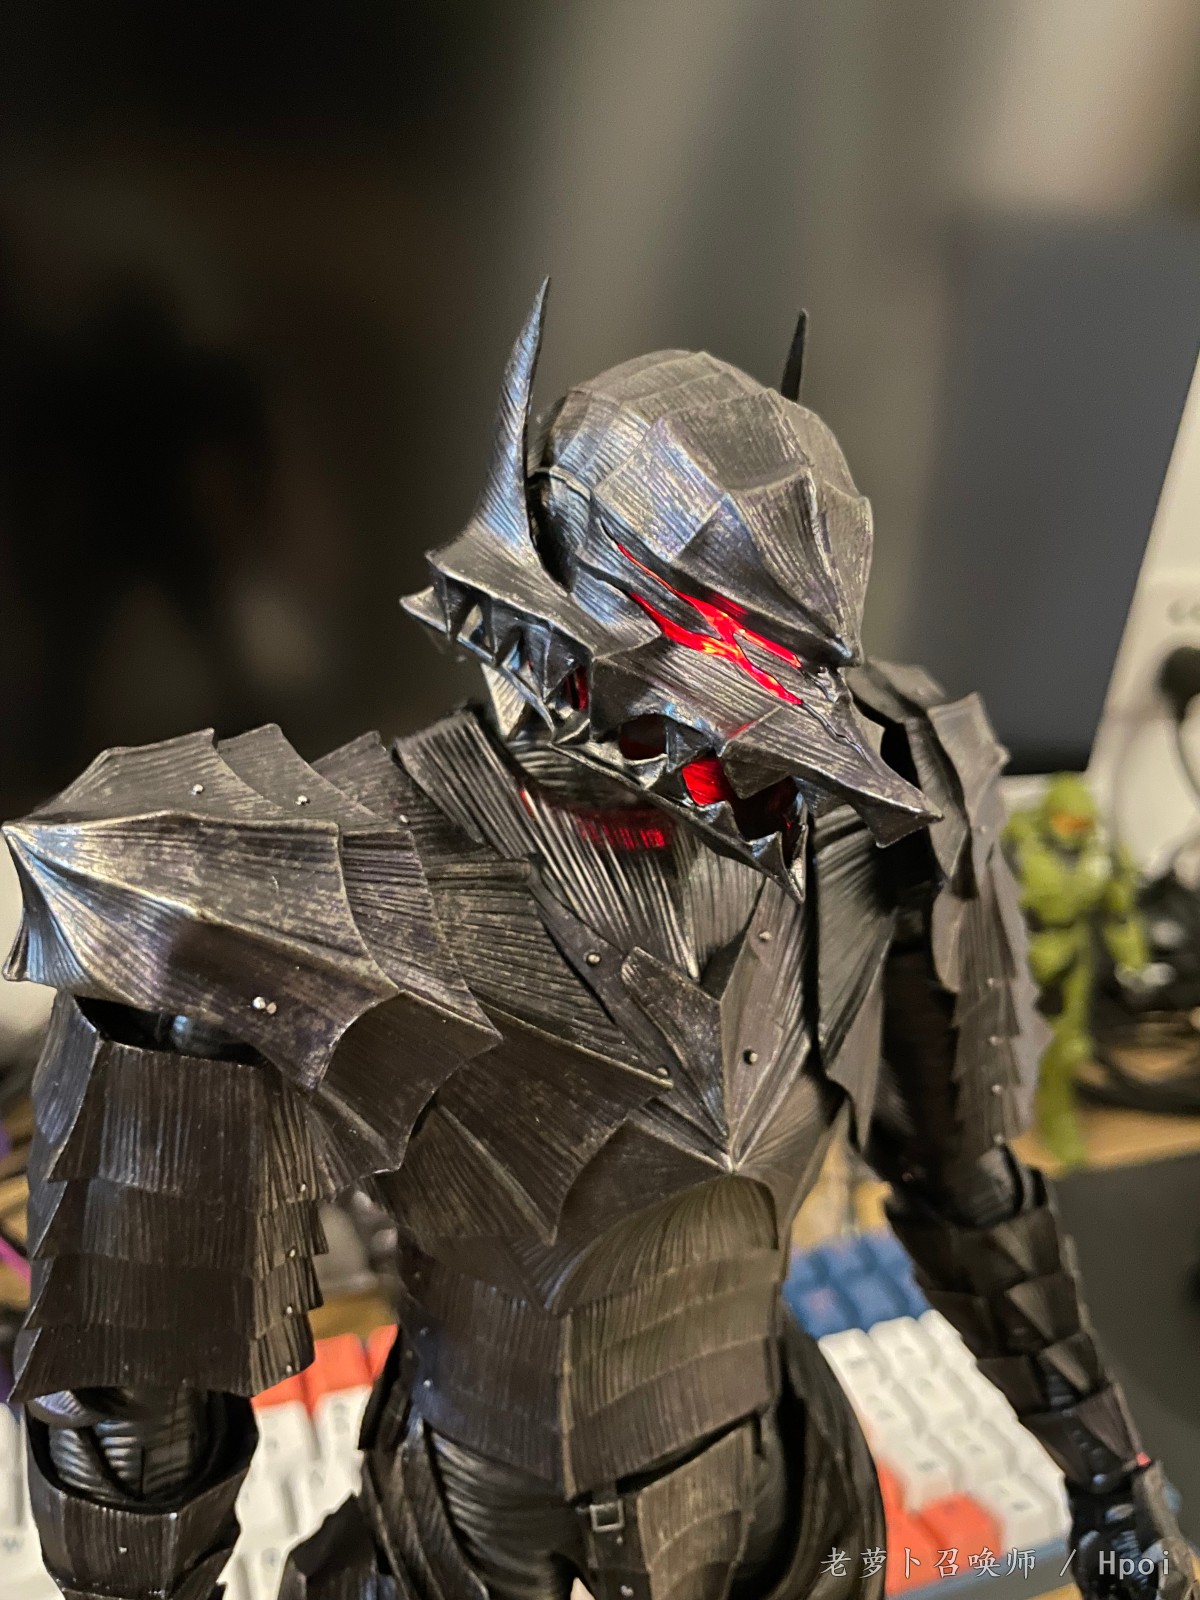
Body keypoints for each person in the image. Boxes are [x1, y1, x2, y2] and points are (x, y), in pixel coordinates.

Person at [4, 286, 1192, 1600]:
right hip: (477, 1541)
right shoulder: (277, 889)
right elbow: (134, 1415)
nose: (767, 751)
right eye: (722, 660)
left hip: (791, 1507)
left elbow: (969, 1187)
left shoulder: (889, 798)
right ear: (552, 612)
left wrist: (1116, 1480)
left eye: (797, 676)